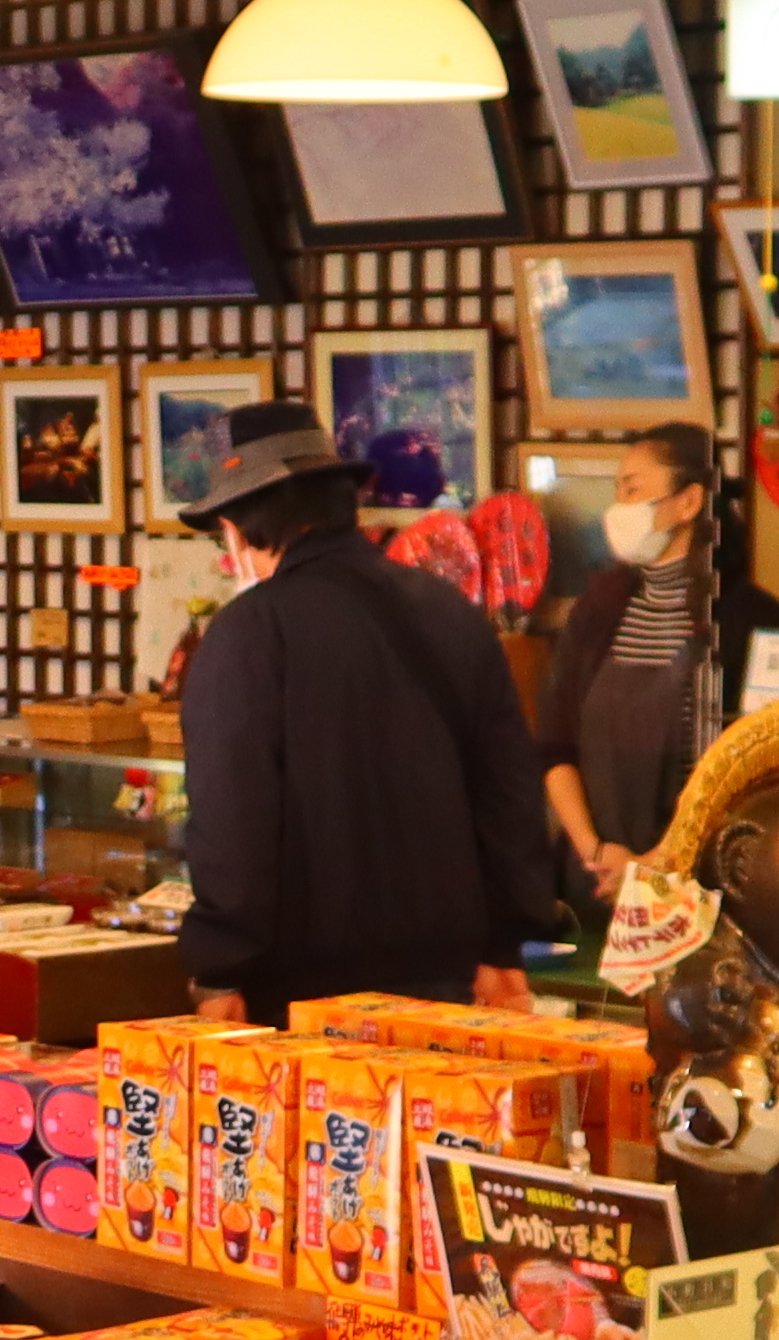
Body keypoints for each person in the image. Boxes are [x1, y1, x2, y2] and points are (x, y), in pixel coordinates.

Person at [167, 397, 559, 1019]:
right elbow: (508, 789)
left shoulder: (249, 632)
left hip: (300, 994)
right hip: (448, 982)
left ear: (238, 530)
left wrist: (219, 967)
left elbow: (233, 818)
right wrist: (505, 942)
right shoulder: (449, 611)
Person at [540, 421, 727, 893]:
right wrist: (594, 852)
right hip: (592, 881)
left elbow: (742, 770)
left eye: (633, 489)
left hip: (693, 887)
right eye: (618, 492)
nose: (620, 508)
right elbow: (554, 745)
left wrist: (653, 866)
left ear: (689, 501)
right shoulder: (597, 609)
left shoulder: (740, 619)